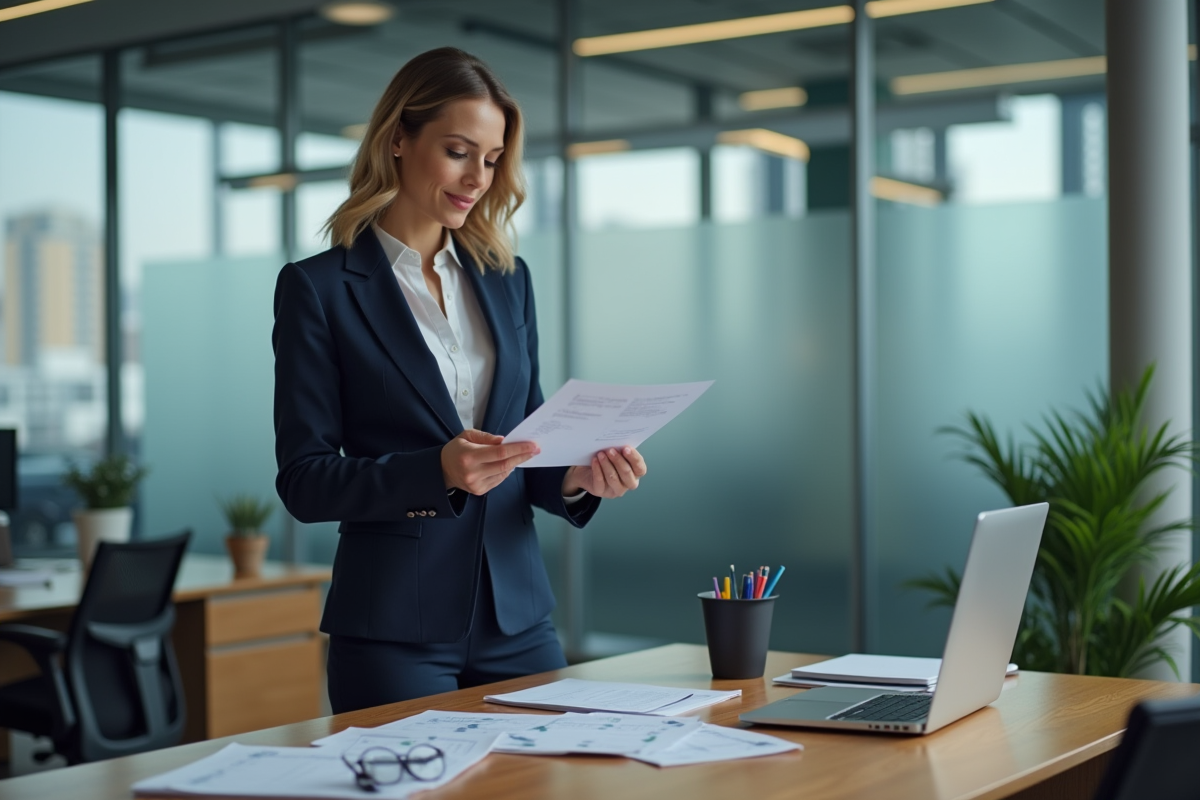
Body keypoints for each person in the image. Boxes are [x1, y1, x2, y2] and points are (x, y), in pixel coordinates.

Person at [272, 47, 647, 713]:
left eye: (493, 158)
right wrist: (437, 470)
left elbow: (526, 444)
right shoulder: (319, 289)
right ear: (398, 139)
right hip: (393, 628)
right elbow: (305, 480)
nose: (478, 176)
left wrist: (576, 477)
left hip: (519, 622)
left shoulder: (508, 280)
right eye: (458, 150)